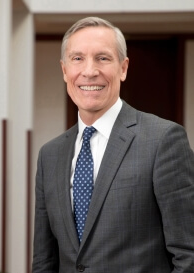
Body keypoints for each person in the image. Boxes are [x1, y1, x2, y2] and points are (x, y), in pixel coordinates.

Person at [32, 17, 194, 273]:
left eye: (102, 58)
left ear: (123, 68)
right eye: (77, 59)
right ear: (65, 71)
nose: (89, 71)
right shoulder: (49, 155)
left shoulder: (163, 140)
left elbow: (188, 254)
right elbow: (44, 261)